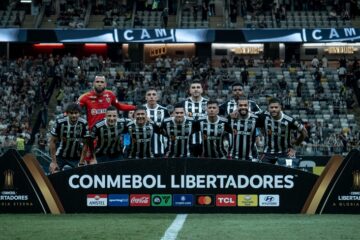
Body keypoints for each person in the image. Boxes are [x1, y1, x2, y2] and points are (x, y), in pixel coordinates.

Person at [77, 75, 136, 162]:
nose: (99, 84)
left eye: (102, 82)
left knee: (111, 158)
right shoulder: (85, 97)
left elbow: (119, 106)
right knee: (90, 160)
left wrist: (135, 107)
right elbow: (74, 110)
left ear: (105, 84)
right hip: (94, 135)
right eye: (97, 82)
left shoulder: (110, 95)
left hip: (108, 134)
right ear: (93, 83)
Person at [258, 97, 308, 164]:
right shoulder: (263, 116)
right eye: (271, 107)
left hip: (285, 153)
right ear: (268, 108)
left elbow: (304, 132)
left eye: (276, 107)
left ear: (280, 107)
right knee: (263, 172)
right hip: (267, 153)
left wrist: (294, 148)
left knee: (287, 174)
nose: (274, 109)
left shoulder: (289, 120)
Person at [49, 103, 90, 173]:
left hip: (76, 157)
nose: (74, 115)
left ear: (79, 113)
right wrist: (53, 162)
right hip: (60, 156)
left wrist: (81, 161)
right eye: (71, 113)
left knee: (83, 173)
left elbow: (86, 143)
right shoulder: (59, 122)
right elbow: (52, 141)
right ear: (67, 113)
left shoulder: (84, 123)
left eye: (76, 113)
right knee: (53, 172)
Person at [228, 97, 261, 161]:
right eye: (240, 105)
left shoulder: (255, 119)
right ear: (237, 106)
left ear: (248, 106)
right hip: (234, 157)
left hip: (251, 157)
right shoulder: (230, 119)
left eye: (245, 105)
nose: (243, 107)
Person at [182, 79, 208, 157]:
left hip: (205, 140)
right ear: (189, 90)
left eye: (198, 87)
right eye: (193, 87)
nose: (196, 89)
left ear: (202, 90)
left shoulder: (209, 103)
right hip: (188, 141)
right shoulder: (182, 104)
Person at [144, 87, 170, 157]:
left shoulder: (164, 110)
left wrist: (168, 149)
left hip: (160, 148)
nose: (151, 97)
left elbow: (168, 131)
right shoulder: (141, 110)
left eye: (154, 94)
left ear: (157, 97)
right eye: (149, 95)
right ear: (145, 97)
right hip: (143, 149)